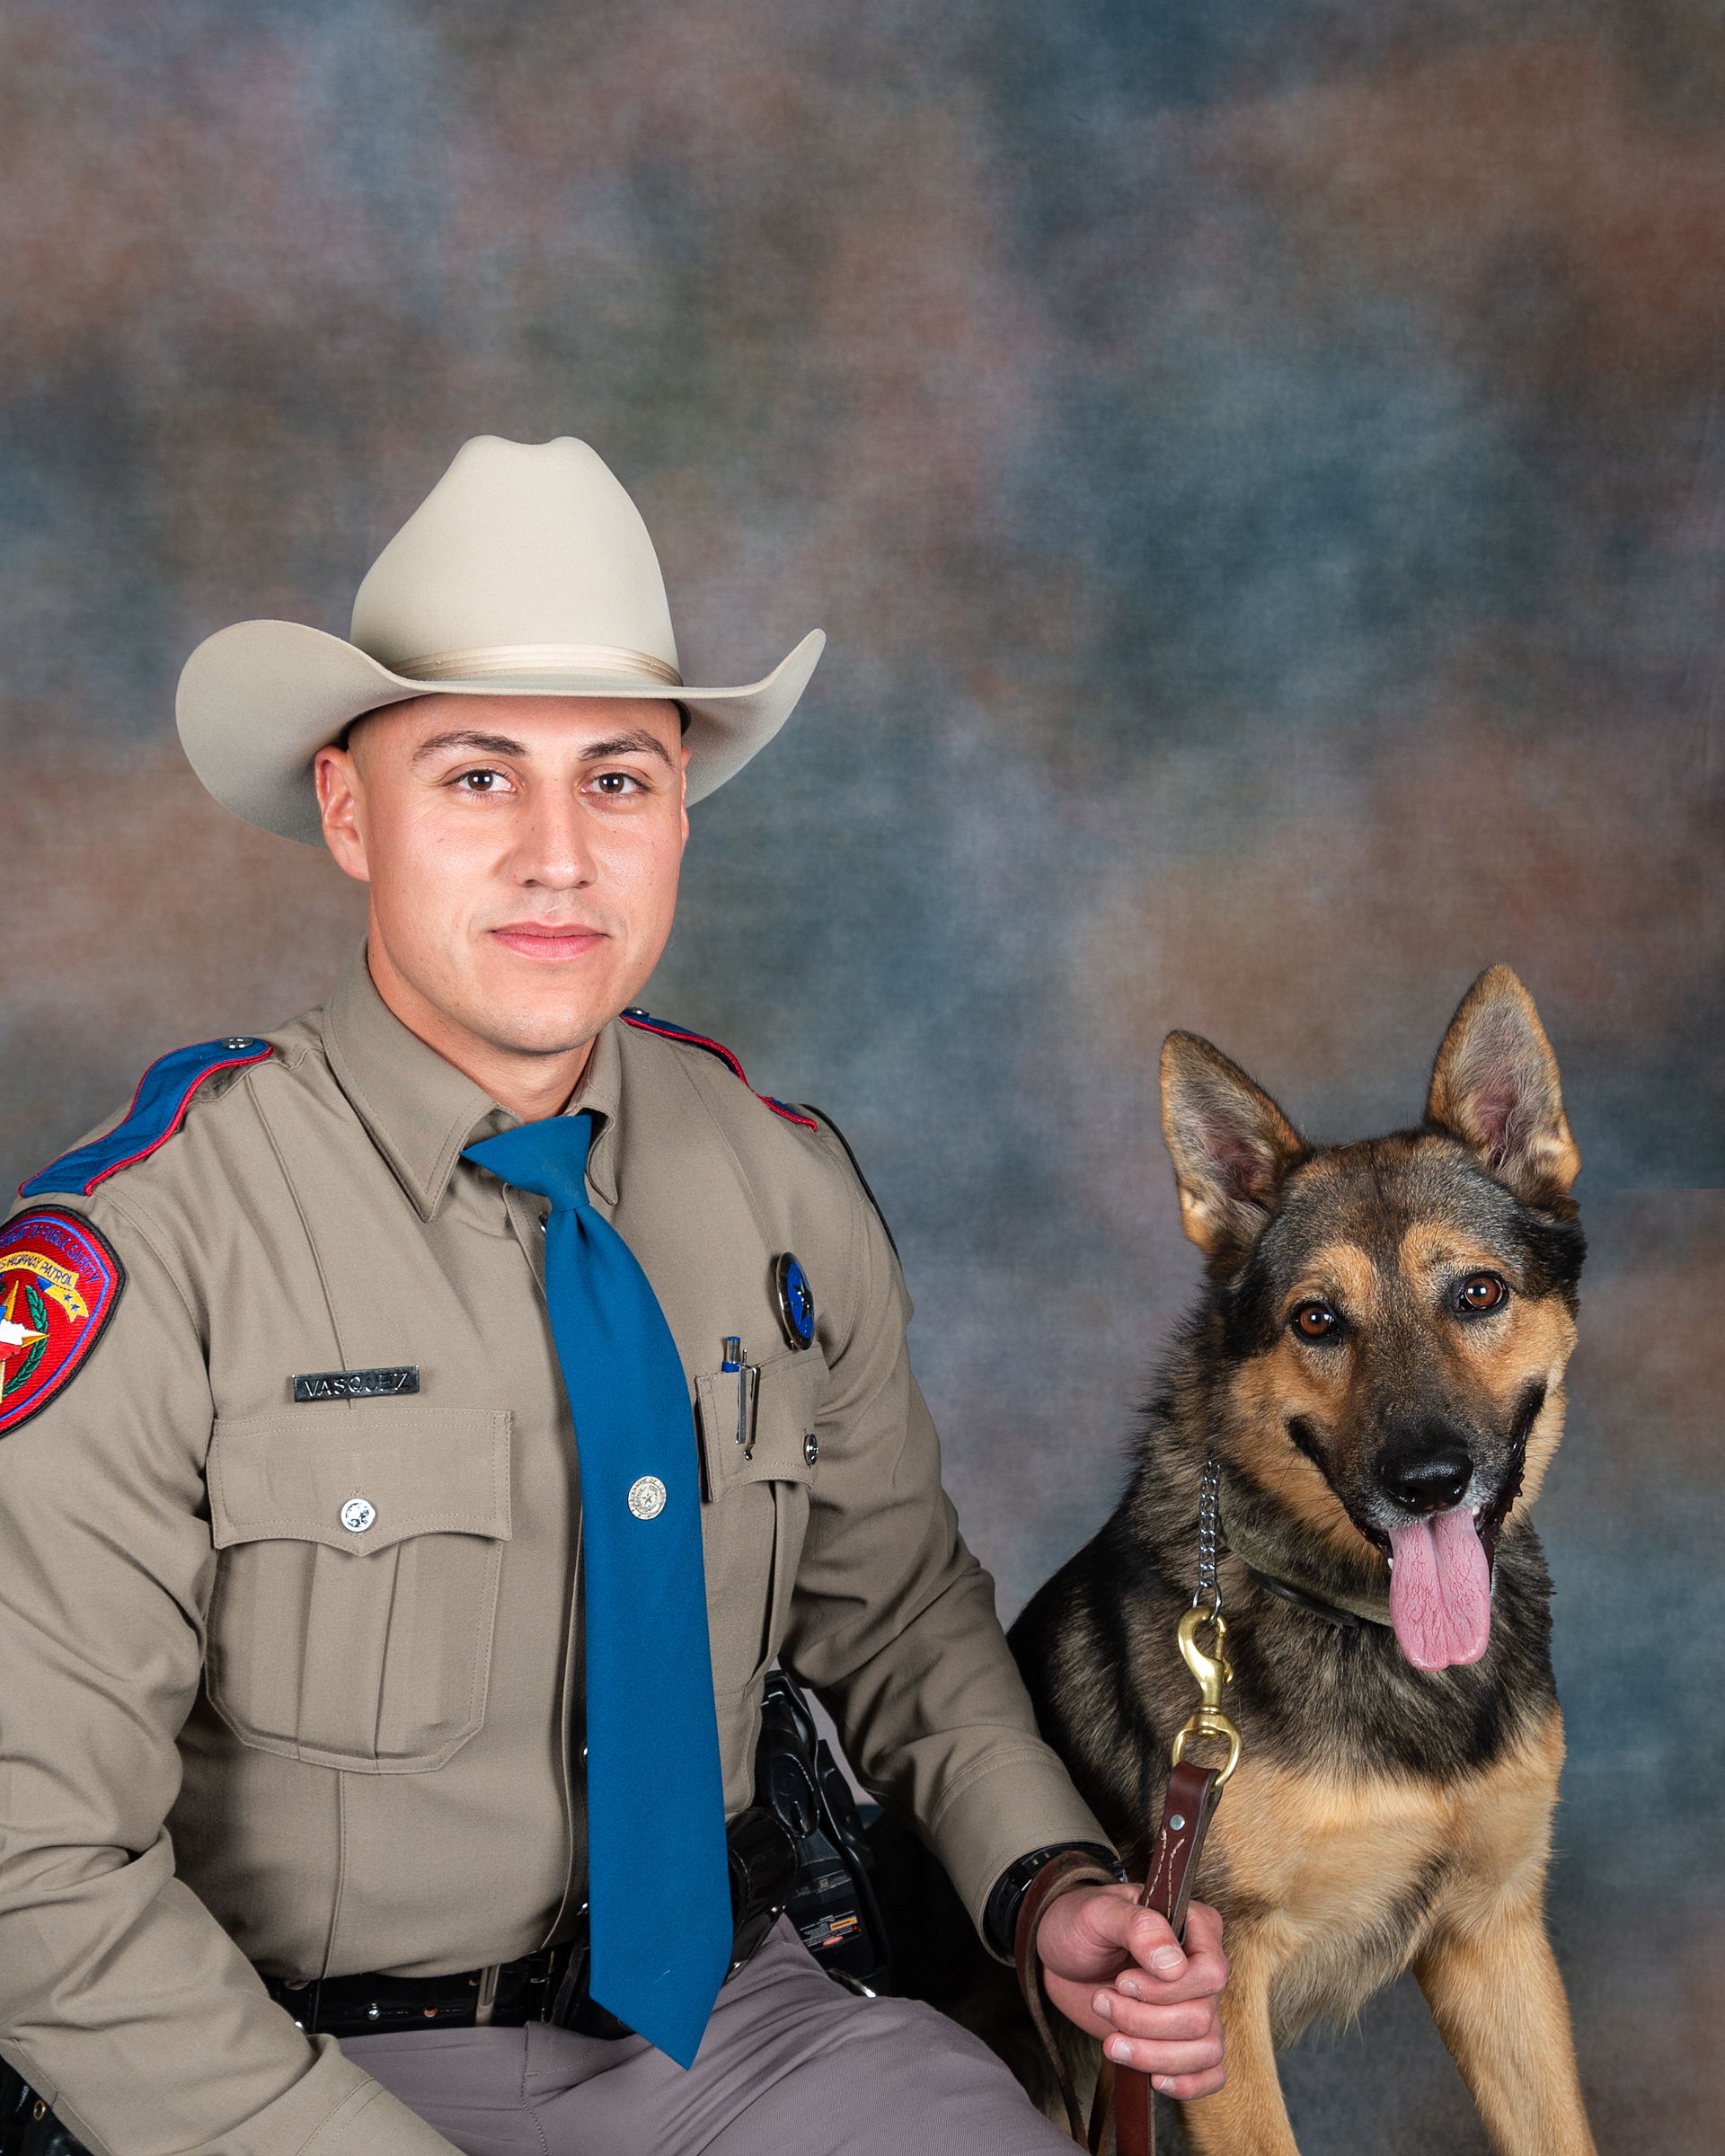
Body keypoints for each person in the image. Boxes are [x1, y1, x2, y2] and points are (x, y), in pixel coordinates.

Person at [0, 436, 1225, 2155]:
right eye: (480, 778)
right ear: (350, 811)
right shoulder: (156, 1242)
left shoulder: (781, 1185)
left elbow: (901, 1618)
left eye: (623, 780)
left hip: (746, 2032)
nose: (561, 856)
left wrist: (1046, 1884)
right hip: (297, 2071)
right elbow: (30, 1863)